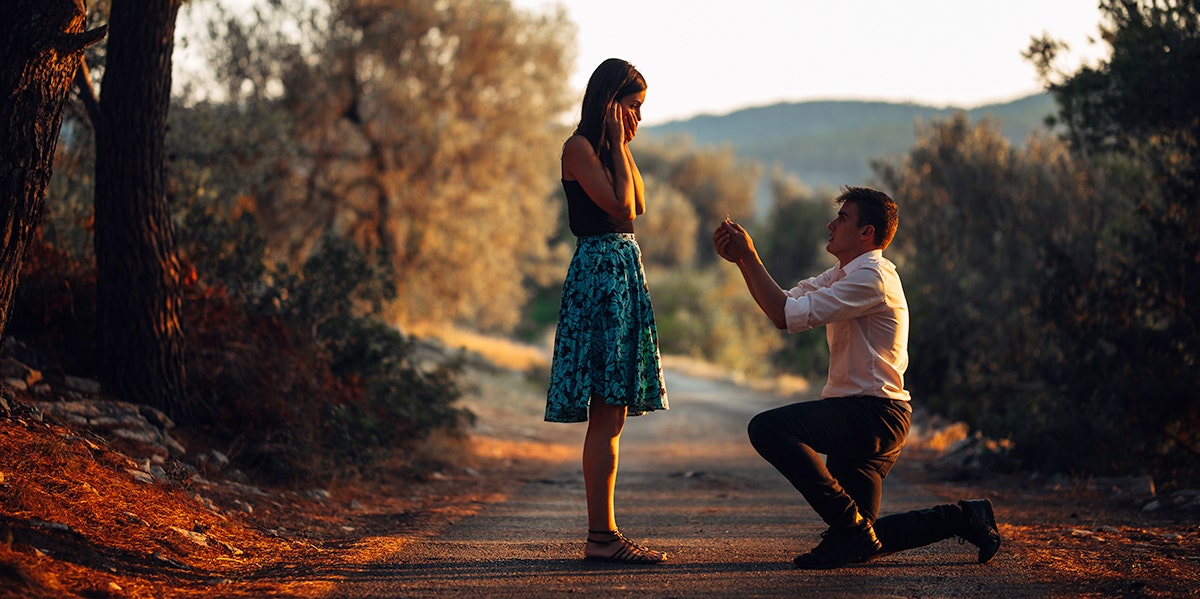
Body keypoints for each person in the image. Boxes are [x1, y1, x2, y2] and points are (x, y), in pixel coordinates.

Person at [712, 186, 1001, 569]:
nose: (831, 225)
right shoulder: (845, 274)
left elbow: (785, 316)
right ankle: (966, 517)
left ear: (867, 233)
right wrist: (743, 262)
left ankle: (849, 529)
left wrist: (749, 255)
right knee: (866, 538)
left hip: (872, 415)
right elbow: (782, 303)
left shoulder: (873, 279)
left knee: (768, 429)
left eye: (843, 218)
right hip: (865, 415)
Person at [545, 58, 669, 564]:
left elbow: (636, 205)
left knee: (613, 414)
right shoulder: (578, 148)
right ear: (609, 102)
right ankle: (601, 537)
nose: (636, 118)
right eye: (632, 107)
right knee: (605, 414)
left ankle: (605, 534)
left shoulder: (609, 151)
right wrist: (617, 147)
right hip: (600, 278)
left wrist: (623, 149)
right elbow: (617, 208)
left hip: (620, 275)